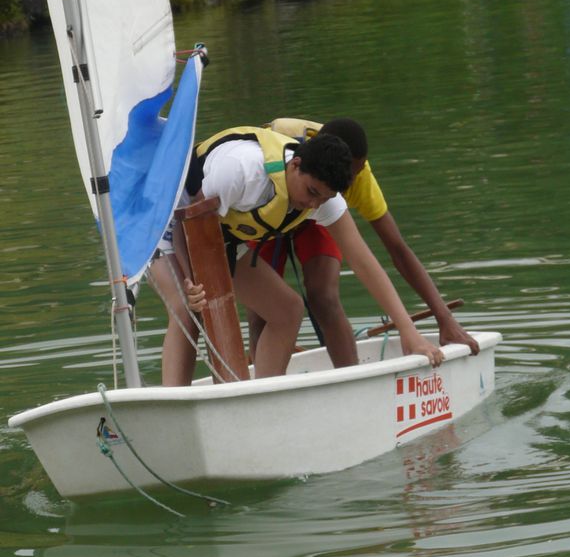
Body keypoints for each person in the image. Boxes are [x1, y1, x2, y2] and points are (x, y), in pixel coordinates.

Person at [160, 125, 444, 384]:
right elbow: (191, 226)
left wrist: (410, 332)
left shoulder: (321, 198)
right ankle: (171, 406)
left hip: (220, 236)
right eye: (311, 192)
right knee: (189, 306)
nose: (313, 204)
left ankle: (263, 400)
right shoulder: (241, 170)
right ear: (295, 164)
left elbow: (364, 262)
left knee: (287, 310)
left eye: (323, 198)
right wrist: (189, 280)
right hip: (165, 225)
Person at [246, 118, 479, 369]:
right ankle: (261, 386)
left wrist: (445, 318)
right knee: (262, 309)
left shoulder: (355, 182)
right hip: (274, 201)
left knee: (322, 295)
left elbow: (397, 249)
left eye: (351, 177)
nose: (346, 184)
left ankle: (350, 378)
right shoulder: (299, 165)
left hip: (320, 210)